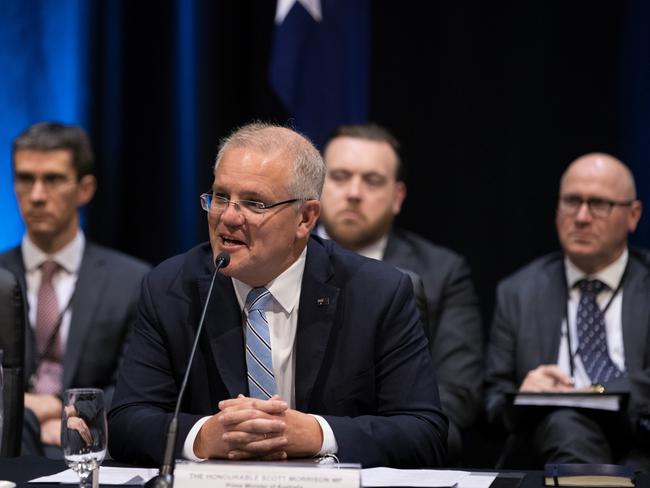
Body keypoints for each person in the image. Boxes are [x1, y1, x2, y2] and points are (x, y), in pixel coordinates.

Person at [108, 122, 448, 468]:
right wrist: (202, 436)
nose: (227, 217)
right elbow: (125, 423)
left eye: (254, 203)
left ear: (305, 217)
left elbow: (424, 433)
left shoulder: (378, 292)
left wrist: (317, 434)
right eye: (221, 196)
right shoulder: (170, 287)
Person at [317, 123, 483, 461]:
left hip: (395, 456)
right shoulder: (277, 260)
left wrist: (373, 440)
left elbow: (457, 396)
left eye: (372, 181)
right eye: (339, 176)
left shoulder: (442, 273)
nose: (353, 192)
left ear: (398, 197)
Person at [485, 153, 650, 469]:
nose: (582, 217)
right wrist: (524, 395)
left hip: (639, 440)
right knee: (565, 423)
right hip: (547, 448)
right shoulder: (517, 292)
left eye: (599, 204)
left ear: (633, 214)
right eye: (571, 201)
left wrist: (596, 394)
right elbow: (492, 405)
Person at [0, 122, 151, 458]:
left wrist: (62, 411)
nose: (37, 196)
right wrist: (27, 416)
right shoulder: (0, 276)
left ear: (85, 189)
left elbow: (137, 389)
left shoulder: (132, 281)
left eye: (52, 180)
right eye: (25, 179)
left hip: (91, 447)